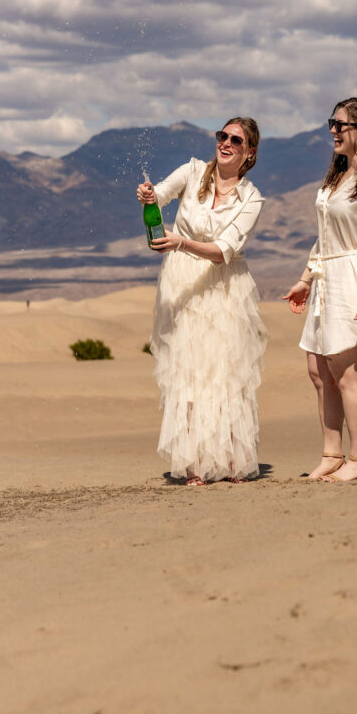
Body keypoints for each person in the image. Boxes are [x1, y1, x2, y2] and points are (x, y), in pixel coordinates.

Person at [137, 118, 267, 485]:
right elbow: (161, 194)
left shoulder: (252, 198)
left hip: (226, 286)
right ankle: (194, 463)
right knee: (189, 371)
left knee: (225, 371)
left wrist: (181, 242)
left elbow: (225, 250)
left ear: (250, 152)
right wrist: (149, 195)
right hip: (182, 282)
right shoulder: (192, 171)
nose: (226, 143)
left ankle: (232, 460)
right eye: (222, 136)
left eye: (236, 140)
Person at [283, 97, 357, 482]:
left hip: (355, 279)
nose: (333, 130)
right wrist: (306, 278)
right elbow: (325, 237)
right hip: (326, 279)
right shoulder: (339, 175)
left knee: (348, 374)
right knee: (319, 370)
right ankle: (332, 455)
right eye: (331, 123)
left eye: (341, 124)